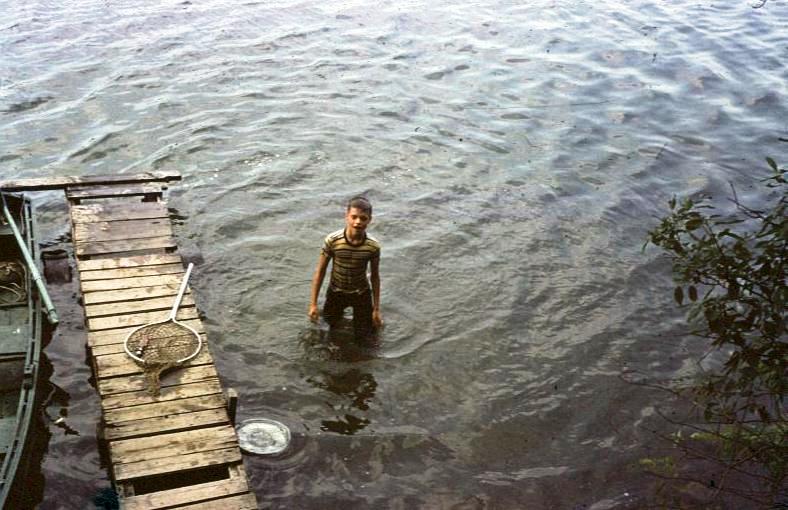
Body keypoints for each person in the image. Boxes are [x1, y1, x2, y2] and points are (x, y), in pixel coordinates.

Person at [309, 196, 382, 340]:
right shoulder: (333, 240)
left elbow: (375, 277)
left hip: (361, 293)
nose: (358, 222)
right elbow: (320, 271)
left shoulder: (372, 246)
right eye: (354, 217)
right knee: (326, 332)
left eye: (363, 218)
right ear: (346, 216)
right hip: (336, 292)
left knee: (366, 337)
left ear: (369, 220)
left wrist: (376, 309)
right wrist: (313, 304)